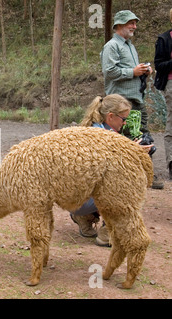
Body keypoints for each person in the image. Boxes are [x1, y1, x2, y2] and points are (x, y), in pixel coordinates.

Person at [70, 94, 154, 247]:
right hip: (80, 197)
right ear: (110, 116)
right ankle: (108, 232)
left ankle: (85, 216)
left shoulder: (95, 129)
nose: (125, 122)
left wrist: (130, 148)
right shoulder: (102, 136)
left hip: (73, 196)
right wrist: (134, 153)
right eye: (123, 119)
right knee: (127, 185)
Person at [101, 10, 164, 189]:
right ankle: (127, 177)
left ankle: (146, 175)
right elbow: (109, 71)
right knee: (125, 139)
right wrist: (133, 72)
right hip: (121, 100)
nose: (134, 26)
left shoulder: (129, 46)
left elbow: (131, 70)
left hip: (135, 98)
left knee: (141, 135)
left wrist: (143, 71)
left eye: (135, 23)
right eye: (131, 23)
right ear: (120, 24)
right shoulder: (112, 46)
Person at [154, 8, 172, 180]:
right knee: (171, 125)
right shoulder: (164, 39)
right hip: (171, 84)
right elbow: (159, 64)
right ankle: (171, 163)